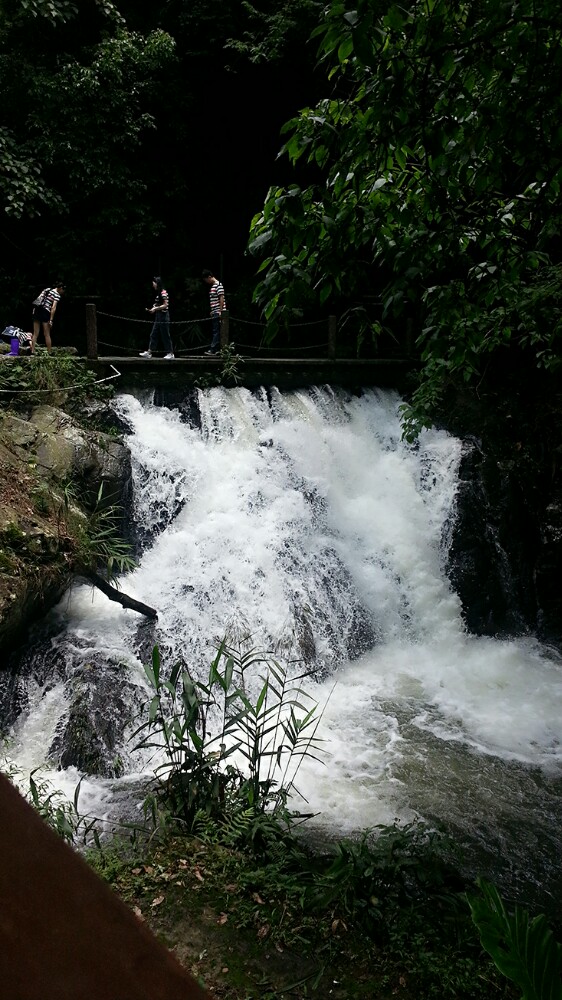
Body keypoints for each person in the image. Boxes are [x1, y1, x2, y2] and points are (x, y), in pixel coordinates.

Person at [139, 277, 174, 359]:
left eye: (153, 283)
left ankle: (170, 353)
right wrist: (153, 309)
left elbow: (165, 305)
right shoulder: (158, 294)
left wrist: (155, 308)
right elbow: (157, 304)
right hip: (158, 316)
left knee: (165, 334)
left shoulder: (163, 292)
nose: (153, 285)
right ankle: (149, 352)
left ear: (157, 283)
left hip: (164, 316)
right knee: (153, 334)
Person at [31, 282, 65, 354]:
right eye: (63, 290)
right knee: (47, 333)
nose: (63, 292)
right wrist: (51, 320)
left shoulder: (47, 289)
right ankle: (49, 352)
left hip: (37, 310)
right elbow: (53, 308)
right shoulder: (57, 295)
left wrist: (34, 309)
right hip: (45, 312)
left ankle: (32, 350)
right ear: (61, 288)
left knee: (35, 333)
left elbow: (38, 299)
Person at [202, 269, 226, 355]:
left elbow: (221, 298)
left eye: (206, 280)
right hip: (215, 310)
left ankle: (213, 349)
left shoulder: (218, 285)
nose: (206, 282)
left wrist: (220, 311)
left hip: (218, 311)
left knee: (216, 330)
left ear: (209, 277)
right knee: (216, 330)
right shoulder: (213, 286)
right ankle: (217, 349)